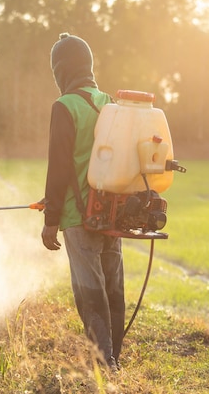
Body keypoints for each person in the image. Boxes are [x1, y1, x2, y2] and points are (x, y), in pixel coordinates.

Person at [41, 33, 125, 371]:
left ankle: (104, 364)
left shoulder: (65, 107)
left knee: (90, 290)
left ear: (61, 70)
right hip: (114, 214)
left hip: (79, 218)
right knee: (113, 286)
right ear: (87, 66)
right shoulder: (111, 103)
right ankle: (114, 356)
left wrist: (51, 219)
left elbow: (60, 167)